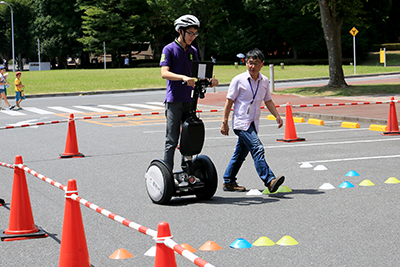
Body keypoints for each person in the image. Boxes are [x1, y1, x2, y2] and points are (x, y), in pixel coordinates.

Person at [220, 48, 284, 193]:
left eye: (255, 63)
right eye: (249, 63)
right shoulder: (238, 80)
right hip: (241, 123)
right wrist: (224, 122)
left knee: (240, 154)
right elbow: (229, 102)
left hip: (254, 123)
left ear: (262, 64)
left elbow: (268, 100)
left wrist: (277, 116)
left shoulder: (264, 81)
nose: (252, 66)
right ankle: (269, 180)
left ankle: (229, 181)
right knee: (257, 148)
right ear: (246, 63)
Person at [160, 14, 218, 170]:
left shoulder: (193, 50)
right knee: (172, 140)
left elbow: (198, 74)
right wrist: (183, 77)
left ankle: (187, 171)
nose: (193, 36)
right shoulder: (169, 49)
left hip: (189, 100)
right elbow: (164, 73)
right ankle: (167, 175)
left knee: (189, 136)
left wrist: (209, 80)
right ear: (181, 31)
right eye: (190, 33)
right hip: (174, 101)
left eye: (195, 33)